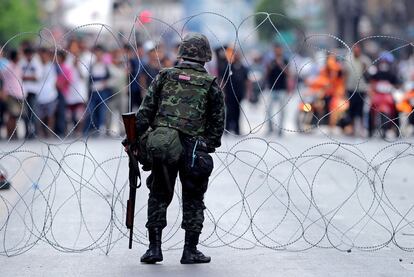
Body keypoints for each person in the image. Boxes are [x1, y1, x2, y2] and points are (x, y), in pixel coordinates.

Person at [127, 32, 225, 264]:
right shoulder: (210, 83)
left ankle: (154, 249)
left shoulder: (164, 76)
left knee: (159, 194)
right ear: (205, 57)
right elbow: (217, 123)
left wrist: (132, 141)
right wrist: (207, 144)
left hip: (163, 144)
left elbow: (144, 113)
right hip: (193, 149)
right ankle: (190, 251)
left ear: (182, 54)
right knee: (193, 198)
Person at [83, 45, 112, 136]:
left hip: (103, 91)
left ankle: (100, 128)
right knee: (91, 110)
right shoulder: (92, 65)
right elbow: (89, 79)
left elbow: (110, 77)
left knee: (102, 111)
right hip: (93, 91)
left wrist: (106, 82)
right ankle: (90, 128)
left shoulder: (106, 66)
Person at [344, 45, 370, 136]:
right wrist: (344, 87)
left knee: (361, 109)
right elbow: (345, 74)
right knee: (351, 109)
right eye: (355, 51)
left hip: (362, 89)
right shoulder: (349, 60)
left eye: (358, 51)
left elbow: (369, 74)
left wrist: (365, 67)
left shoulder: (365, 60)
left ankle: (362, 129)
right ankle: (352, 128)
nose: (356, 52)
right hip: (351, 88)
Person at [223, 49, 250, 135]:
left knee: (237, 111)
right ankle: (227, 128)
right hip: (229, 93)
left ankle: (236, 129)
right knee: (229, 111)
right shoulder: (229, 67)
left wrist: (247, 93)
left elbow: (247, 81)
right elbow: (223, 80)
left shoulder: (243, 68)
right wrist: (223, 92)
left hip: (239, 93)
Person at [266, 44, 290, 136]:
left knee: (282, 110)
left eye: (279, 50)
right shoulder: (271, 61)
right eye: (276, 50)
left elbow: (289, 74)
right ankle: (270, 128)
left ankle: (280, 129)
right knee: (269, 110)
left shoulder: (285, 61)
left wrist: (281, 65)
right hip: (272, 88)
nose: (277, 51)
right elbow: (267, 74)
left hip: (282, 89)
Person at [36, 48, 58, 138]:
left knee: (50, 115)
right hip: (39, 94)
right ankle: (40, 132)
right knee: (40, 116)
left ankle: (49, 131)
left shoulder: (51, 66)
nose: (43, 57)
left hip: (50, 94)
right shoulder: (37, 66)